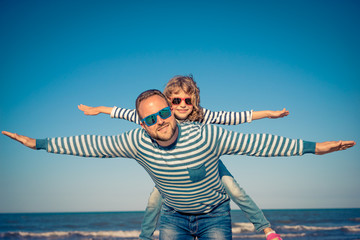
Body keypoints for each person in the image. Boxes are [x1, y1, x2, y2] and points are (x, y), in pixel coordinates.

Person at [2, 90, 355, 240]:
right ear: (141, 123)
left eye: (164, 112)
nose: (159, 121)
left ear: (172, 110)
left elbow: (261, 144)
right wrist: (39, 144)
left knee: (235, 188)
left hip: (216, 214)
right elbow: (87, 145)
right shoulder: (134, 141)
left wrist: (314, 148)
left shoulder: (204, 134)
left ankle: (264, 227)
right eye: (150, 118)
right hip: (172, 218)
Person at [78, 75, 290, 240]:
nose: (182, 104)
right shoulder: (159, 117)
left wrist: (268, 113)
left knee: (233, 188)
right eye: (176, 100)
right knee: (155, 198)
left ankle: (266, 228)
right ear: (167, 102)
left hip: (208, 164)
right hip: (173, 171)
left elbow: (236, 117)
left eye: (188, 100)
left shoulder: (203, 116)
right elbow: (122, 112)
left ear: (194, 101)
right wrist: (98, 110)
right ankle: (145, 236)